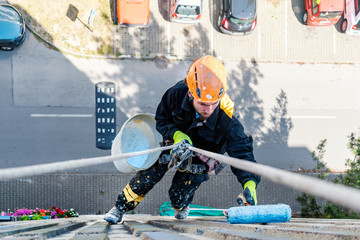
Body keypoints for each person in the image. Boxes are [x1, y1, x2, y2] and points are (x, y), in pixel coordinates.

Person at [104, 55, 261, 224]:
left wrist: (249, 183)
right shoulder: (177, 94)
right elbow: (162, 119)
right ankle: (120, 208)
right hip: (174, 143)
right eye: (202, 104)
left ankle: (182, 205)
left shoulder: (227, 118)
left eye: (213, 103)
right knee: (148, 176)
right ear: (191, 94)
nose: (208, 110)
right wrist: (176, 135)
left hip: (201, 156)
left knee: (178, 194)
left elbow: (241, 151)